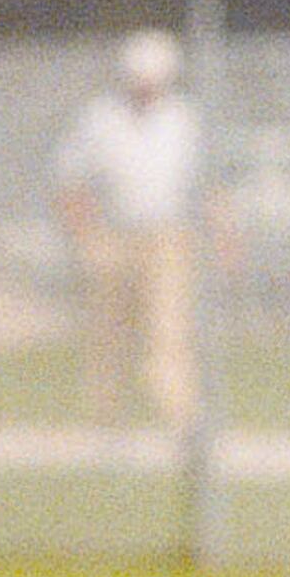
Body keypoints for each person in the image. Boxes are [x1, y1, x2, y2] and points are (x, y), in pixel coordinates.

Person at [51, 29, 211, 428]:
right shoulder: (101, 117)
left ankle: (179, 418)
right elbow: (70, 178)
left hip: (167, 236)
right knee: (108, 332)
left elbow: (206, 183)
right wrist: (85, 236)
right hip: (113, 235)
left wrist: (222, 235)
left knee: (168, 330)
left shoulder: (183, 119)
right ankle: (104, 418)